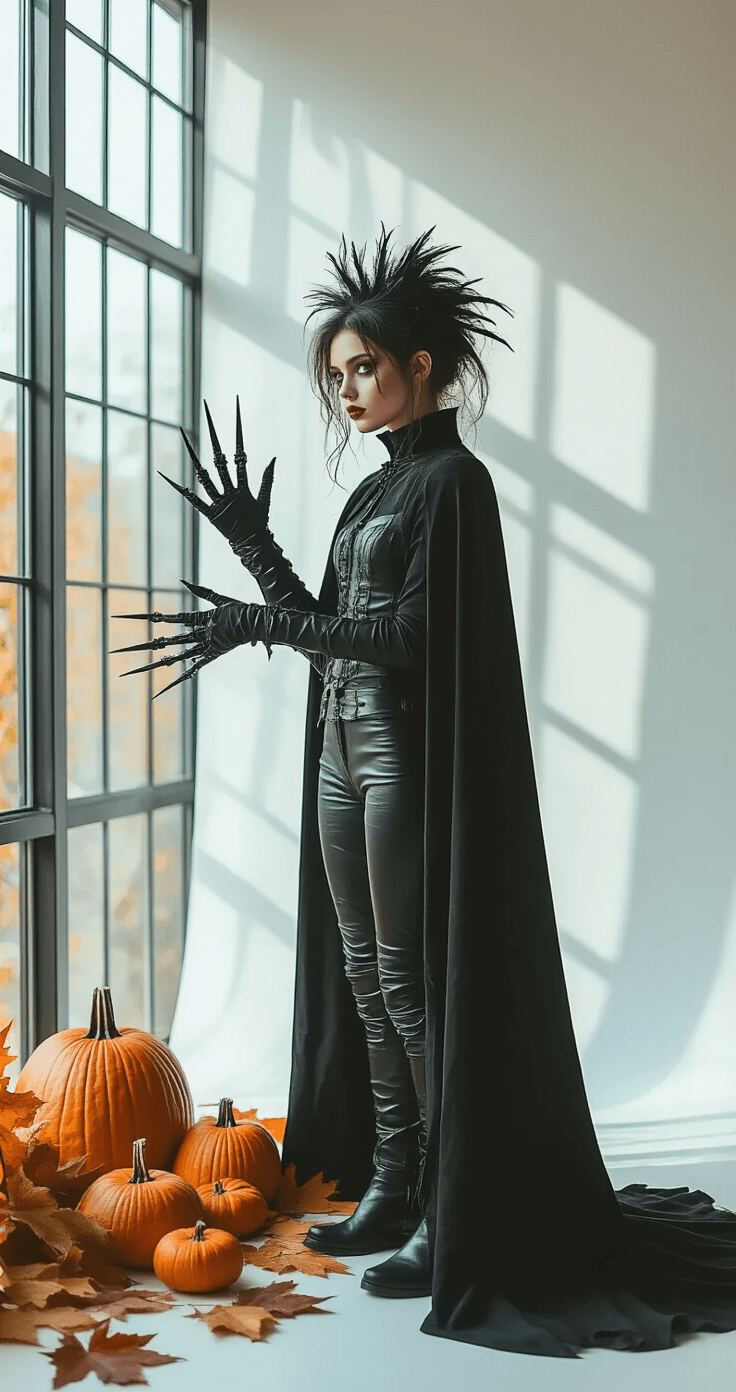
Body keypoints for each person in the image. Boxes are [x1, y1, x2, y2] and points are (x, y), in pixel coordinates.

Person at [116, 228, 736, 1358]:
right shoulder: (378, 491)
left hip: (399, 752)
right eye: (338, 373)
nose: (350, 389)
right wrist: (258, 549)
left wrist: (257, 618)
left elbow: (403, 641)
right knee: (365, 977)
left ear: (427, 367)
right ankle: (397, 1186)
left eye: (367, 367)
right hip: (338, 755)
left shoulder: (454, 484)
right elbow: (336, 634)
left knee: (407, 983)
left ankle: (451, 1206)